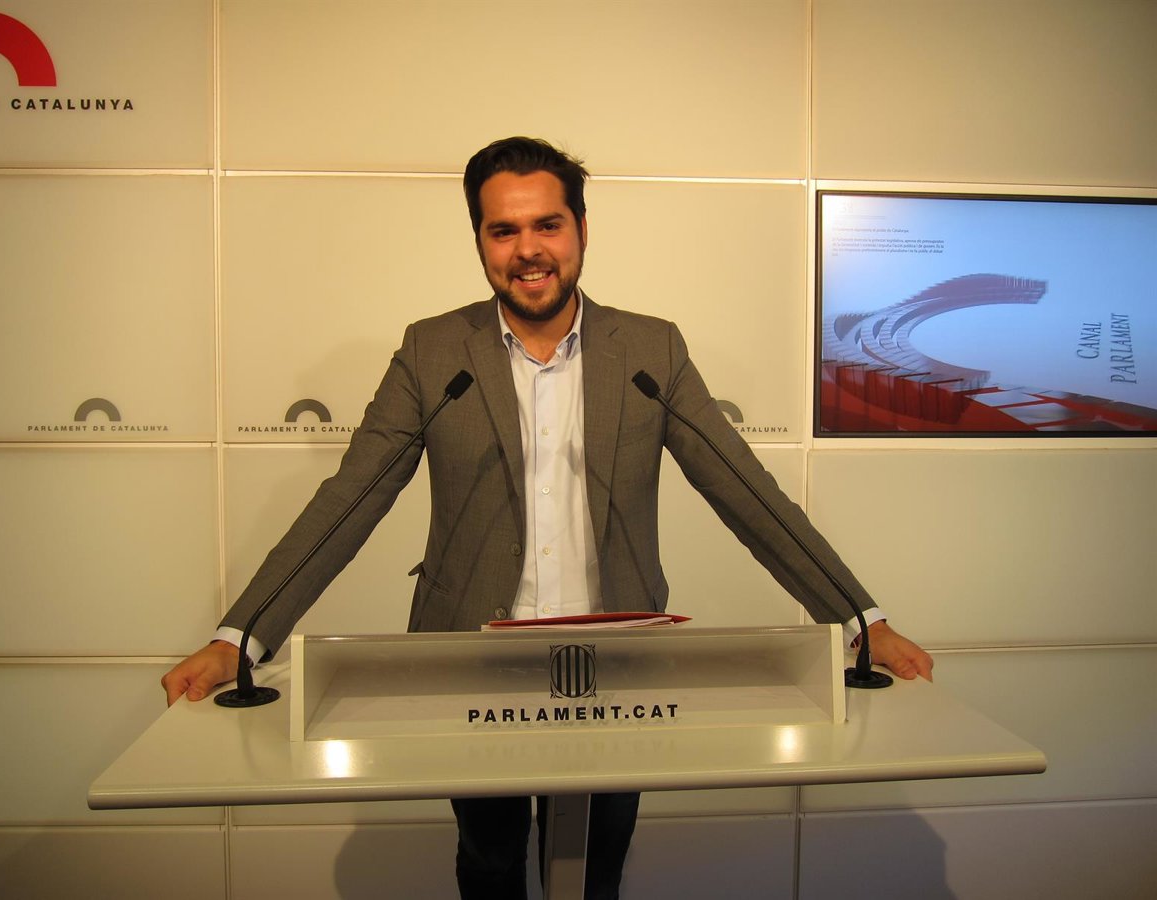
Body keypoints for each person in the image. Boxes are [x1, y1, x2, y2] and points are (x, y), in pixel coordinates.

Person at [162, 136, 933, 899]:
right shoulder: (433, 352)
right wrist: (241, 638)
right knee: (490, 864)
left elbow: (748, 494)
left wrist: (861, 621)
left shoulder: (652, 350)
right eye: (503, 230)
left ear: (582, 230)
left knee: (596, 874)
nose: (528, 249)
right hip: (468, 669)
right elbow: (350, 499)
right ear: (479, 241)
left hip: (619, 673)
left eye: (547, 225)